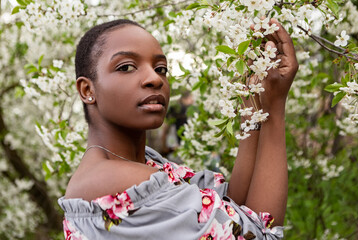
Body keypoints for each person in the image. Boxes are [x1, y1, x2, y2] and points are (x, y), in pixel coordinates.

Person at [58, 18, 298, 240]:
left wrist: (253, 108)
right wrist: (275, 109)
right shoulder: (117, 181)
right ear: (87, 90)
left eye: (161, 68)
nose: (154, 79)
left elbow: (231, 206)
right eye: (126, 67)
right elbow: (260, 235)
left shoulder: (146, 163)